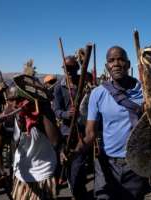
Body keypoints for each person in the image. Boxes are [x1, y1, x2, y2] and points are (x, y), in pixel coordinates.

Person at [76, 46, 149, 200]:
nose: (116, 63)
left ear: (128, 65)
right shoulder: (98, 93)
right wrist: (77, 150)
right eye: (111, 60)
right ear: (107, 67)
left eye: (121, 59)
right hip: (106, 164)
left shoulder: (145, 92)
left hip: (135, 164)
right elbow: (90, 133)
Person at [0, 79, 60, 200]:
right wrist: (1, 173)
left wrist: (42, 105)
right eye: (10, 100)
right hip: (21, 176)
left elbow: (55, 141)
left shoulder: (40, 115)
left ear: (26, 98)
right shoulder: (5, 120)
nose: (14, 104)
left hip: (44, 173)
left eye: (18, 99)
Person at [53, 56, 89, 199]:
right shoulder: (59, 88)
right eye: (65, 68)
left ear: (77, 68)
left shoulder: (84, 83)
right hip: (67, 133)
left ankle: (79, 191)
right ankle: (77, 190)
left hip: (83, 131)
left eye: (71, 68)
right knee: (69, 165)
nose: (68, 71)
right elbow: (56, 110)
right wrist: (67, 114)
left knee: (79, 165)